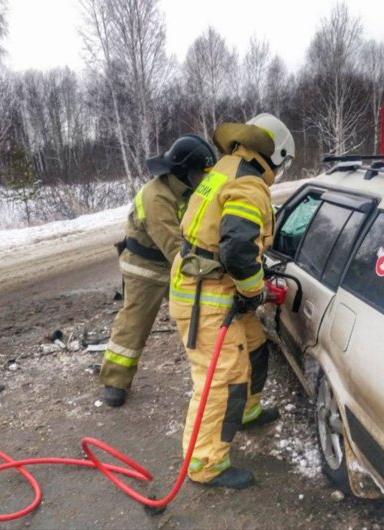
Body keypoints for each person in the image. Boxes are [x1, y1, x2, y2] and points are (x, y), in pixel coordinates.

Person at [169, 113, 295, 489]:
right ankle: (205, 464)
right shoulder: (248, 185)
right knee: (220, 379)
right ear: (276, 155)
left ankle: (248, 410)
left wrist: (246, 288)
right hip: (205, 296)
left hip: (202, 283)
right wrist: (254, 291)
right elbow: (239, 249)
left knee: (254, 346)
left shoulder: (225, 167)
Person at [100, 135, 217, 407]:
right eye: (199, 173)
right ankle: (115, 379)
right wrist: (211, 267)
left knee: (198, 315)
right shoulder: (156, 198)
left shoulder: (187, 189)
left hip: (172, 263)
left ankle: (212, 372)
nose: (202, 179)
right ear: (183, 172)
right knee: (134, 322)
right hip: (145, 268)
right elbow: (176, 248)